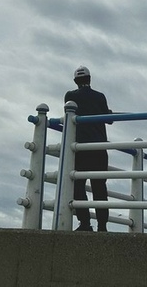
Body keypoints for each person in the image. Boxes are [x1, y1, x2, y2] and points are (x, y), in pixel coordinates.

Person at [64, 65, 112, 232]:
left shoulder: (70, 96)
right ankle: (102, 226)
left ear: (75, 81)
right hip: (99, 148)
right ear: (90, 79)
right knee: (99, 188)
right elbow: (108, 118)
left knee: (78, 186)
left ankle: (84, 223)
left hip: (80, 148)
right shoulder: (100, 96)